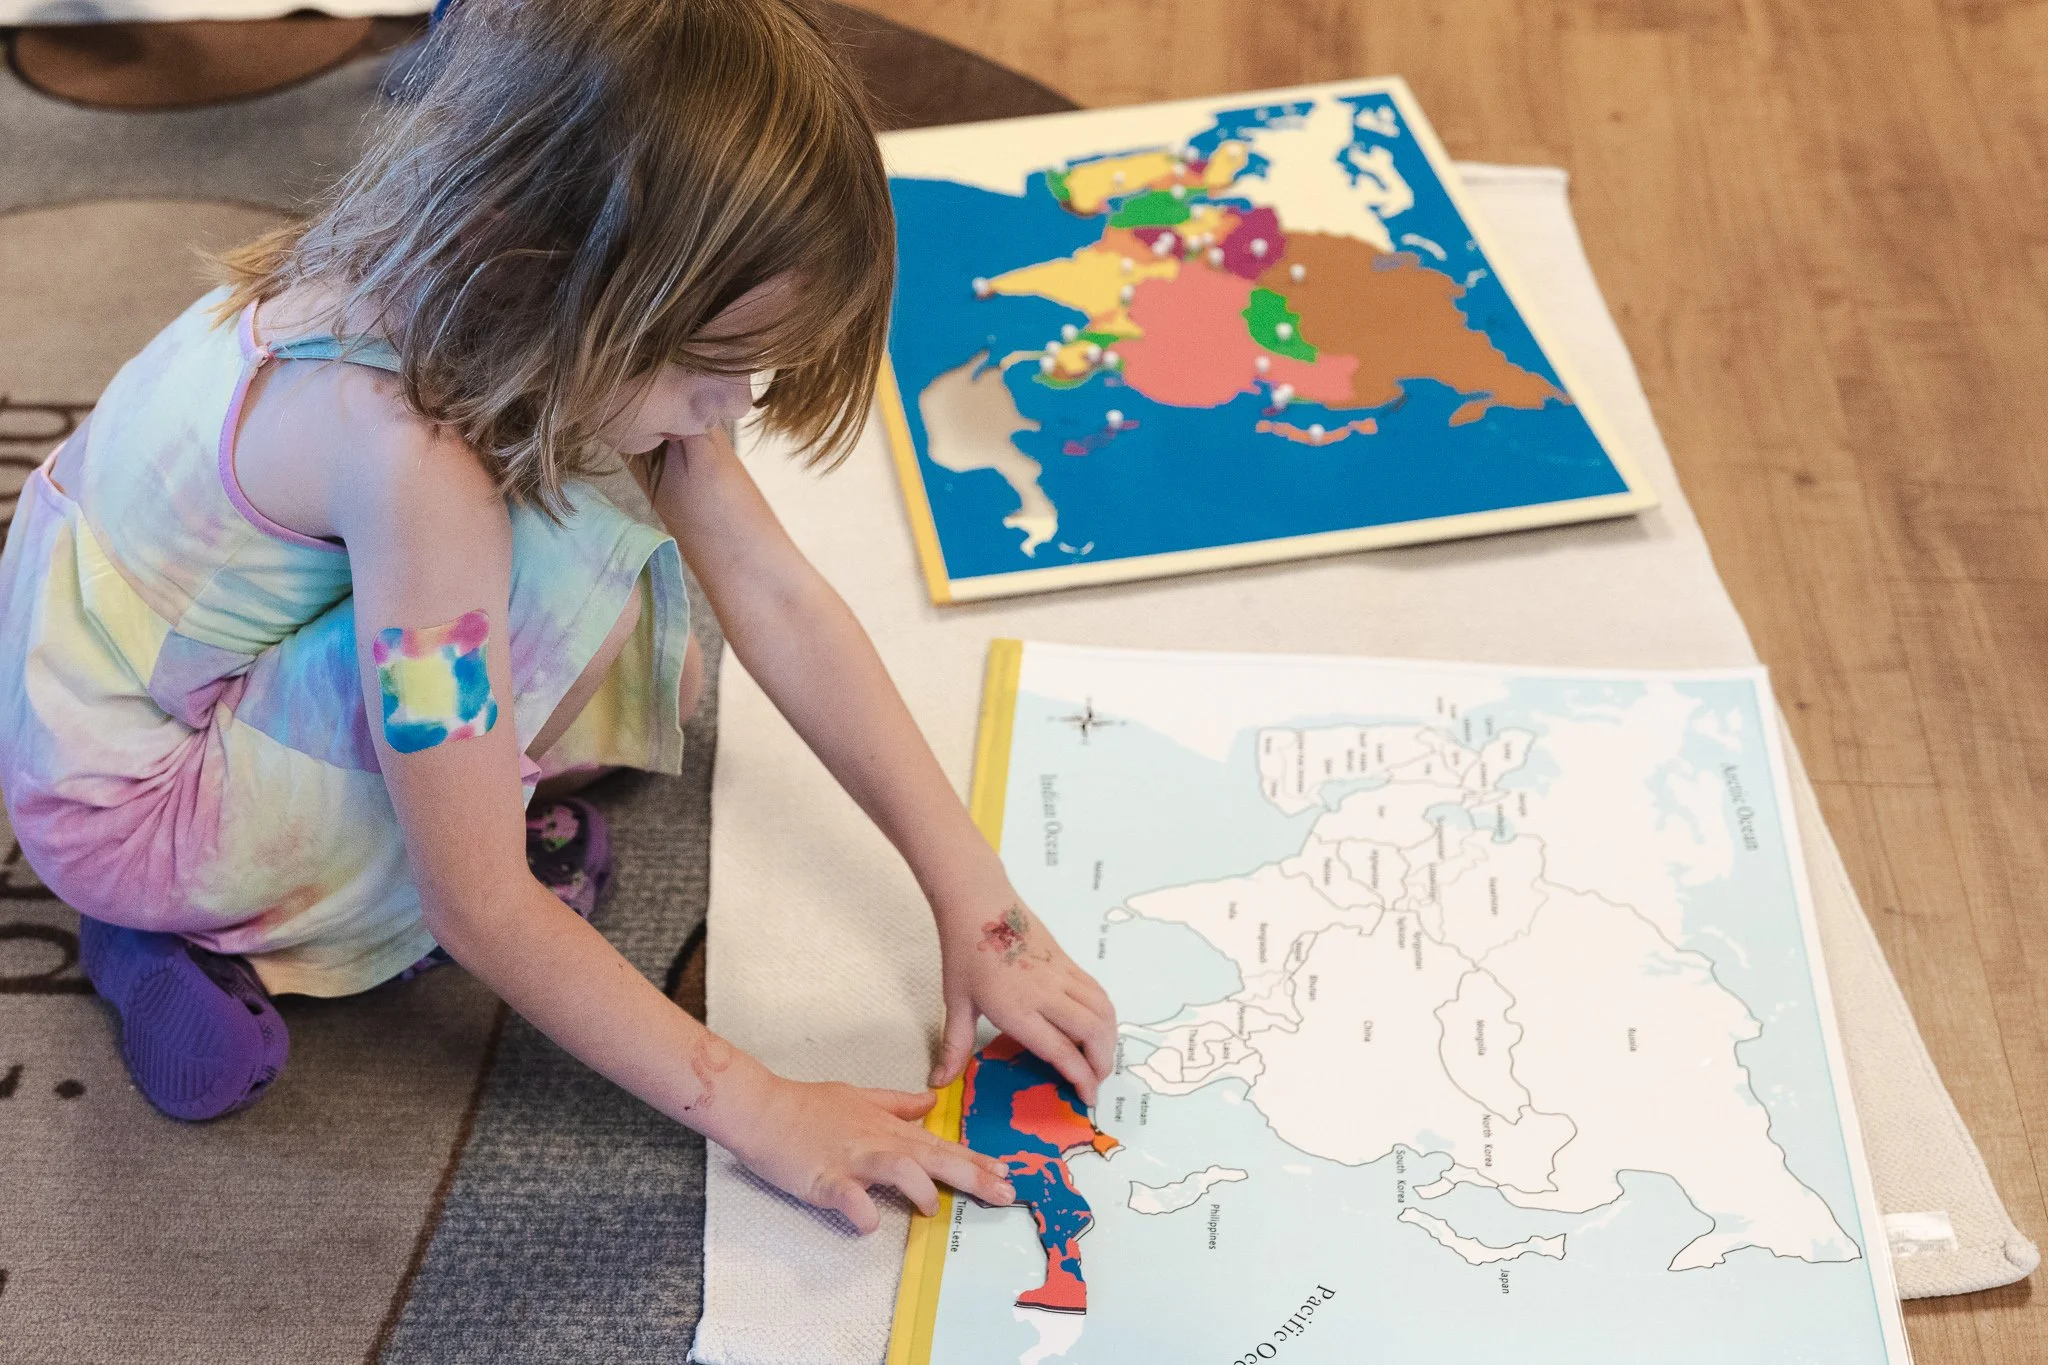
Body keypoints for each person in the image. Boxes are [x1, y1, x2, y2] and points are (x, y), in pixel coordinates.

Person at [0, 0, 1116, 1236]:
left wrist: (979, 907)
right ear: (548, 271)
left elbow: (779, 596)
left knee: (604, 504)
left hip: (131, 669)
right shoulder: (415, 467)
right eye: (711, 357)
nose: (733, 403)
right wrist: (766, 1110)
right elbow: (475, 900)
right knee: (568, 547)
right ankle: (181, 933)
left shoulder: (490, 289)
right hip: (133, 797)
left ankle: (300, 871)